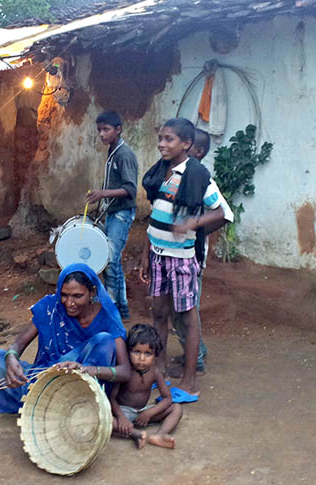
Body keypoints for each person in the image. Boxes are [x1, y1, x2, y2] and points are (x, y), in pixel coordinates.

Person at [140, 118, 225, 396]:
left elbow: (220, 212)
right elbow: (154, 218)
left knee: (188, 319)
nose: (162, 144)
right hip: (158, 255)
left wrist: (192, 223)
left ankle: (190, 378)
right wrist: (146, 254)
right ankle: (159, 368)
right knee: (160, 313)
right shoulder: (161, 171)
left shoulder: (196, 173)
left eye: (169, 139)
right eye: (161, 138)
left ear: (186, 144)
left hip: (182, 258)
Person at [0, 263, 131, 414]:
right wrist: (11, 357)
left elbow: (125, 371)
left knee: (104, 340)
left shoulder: (107, 318)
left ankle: (73, 407)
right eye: (64, 295)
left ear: (92, 292)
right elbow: (19, 343)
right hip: (44, 378)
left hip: (80, 388)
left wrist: (92, 370)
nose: (69, 303)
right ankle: (38, 402)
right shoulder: (51, 307)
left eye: (77, 296)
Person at [172, 128, 234, 374]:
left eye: (185, 145)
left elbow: (225, 215)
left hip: (192, 257)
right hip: (175, 254)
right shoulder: (180, 176)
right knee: (180, 310)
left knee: (187, 310)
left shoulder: (204, 180)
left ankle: (195, 359)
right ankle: (198, 350)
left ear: (196, 151)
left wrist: (197, 230)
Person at [86, 111, 138, 321]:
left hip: (122, 214)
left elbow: (130, 189)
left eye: (106, 129)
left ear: (118, 129)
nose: (101, 134)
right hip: (113, 212)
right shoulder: (113, 151)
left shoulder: (124, 154)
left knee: (110, 260)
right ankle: (120, 309)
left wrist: (103, 193)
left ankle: (114, 309)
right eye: (99, 130)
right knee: (111, 261)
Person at [111, 324, 182, 450]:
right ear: (128, 351)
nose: (141, 358)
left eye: (148, 354)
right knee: (105, 421)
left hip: (143, 411)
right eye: (137, 352)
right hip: (123, 412)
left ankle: (160, 435)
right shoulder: (126, 371)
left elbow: (167, 398)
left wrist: (149, 413)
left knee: (176, 408)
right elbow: (112, 399)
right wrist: (121, 417)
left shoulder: (155, 372)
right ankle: (134, 434)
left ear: (155, 355)